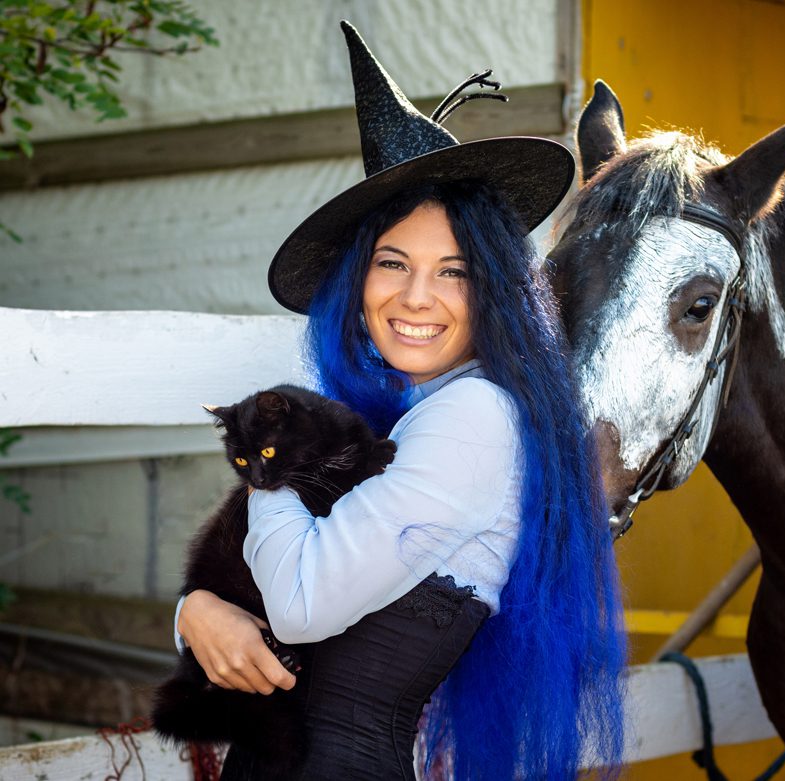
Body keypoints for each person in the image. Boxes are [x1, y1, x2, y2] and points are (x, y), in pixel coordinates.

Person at [174, 21, 626, 780]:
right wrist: (195, 612)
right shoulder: (409, 416)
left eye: (453, 270)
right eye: (393, 261)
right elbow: (264, 607)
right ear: (358, 280)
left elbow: (299, 606)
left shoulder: (474, 418)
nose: (417, 297)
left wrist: (272, 463)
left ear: (496, 291)